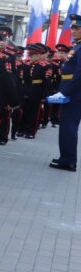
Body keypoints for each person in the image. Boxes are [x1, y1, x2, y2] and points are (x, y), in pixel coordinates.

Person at [49, 14, 81, 172]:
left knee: (69, 126)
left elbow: (79, 73)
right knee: (66, 125)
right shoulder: (77, 46)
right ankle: (65, 157)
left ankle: (68, 160)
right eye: (73, 28)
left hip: (74, 93)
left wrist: (65, 92)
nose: (73, 31)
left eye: (77, 28)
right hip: (69, 90)